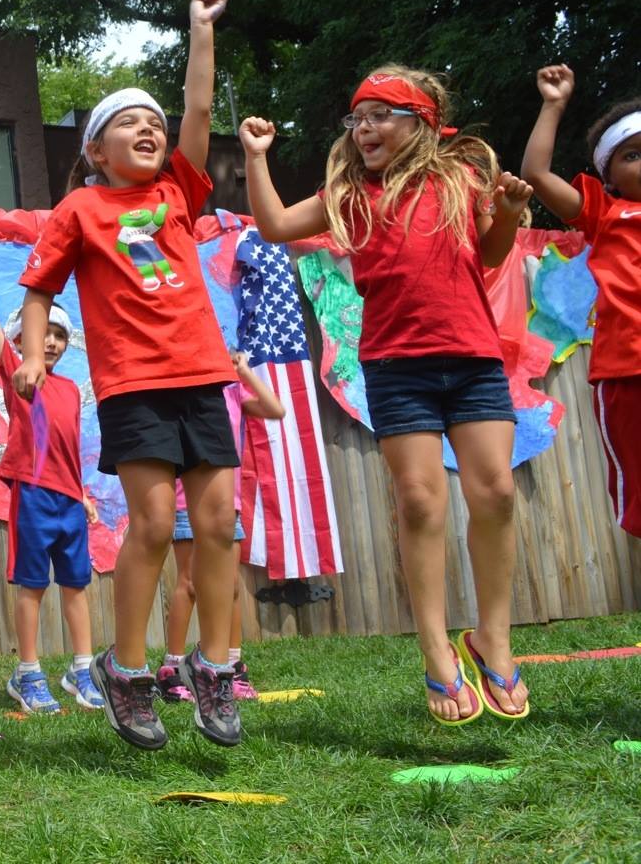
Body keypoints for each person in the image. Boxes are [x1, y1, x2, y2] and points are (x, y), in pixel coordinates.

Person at [241, 65, 534, 724]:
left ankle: (492, 638)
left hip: (473, 360)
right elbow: (278, 225)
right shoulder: (349, 193)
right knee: (422, 500)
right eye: (357, 118)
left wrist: (510, 212)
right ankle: (435, 649)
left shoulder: (460, 178)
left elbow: (488, 256)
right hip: (397, 365)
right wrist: (257, 160)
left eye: (379, 115)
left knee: (496, 491)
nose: (364, 129)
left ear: (422, 123)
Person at [13, 0, 244, 750]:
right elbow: (40, 289)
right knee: (150, 523)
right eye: (127, 125)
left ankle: (214, 666)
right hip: (134, 385)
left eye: (153, 123)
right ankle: (128, 670)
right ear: (95, 151)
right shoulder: (79, 210)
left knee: (215, 524)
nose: (147, 131)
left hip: (200, 375)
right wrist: (32, 362)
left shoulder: (179, 188)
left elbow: (201, 114)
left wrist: (199, 33)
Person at [0, 249, 102, 716]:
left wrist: (82, 495)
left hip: (69, 500)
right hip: (32, 496)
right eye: (42, 333)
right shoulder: (18, 375)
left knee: (76, 584)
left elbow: (66, 450)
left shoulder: (68, 389)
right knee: (32, 586)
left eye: (59, 336)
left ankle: (82, 669)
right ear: (21, 337)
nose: (50, 343)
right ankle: (27, 672)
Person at [520, 65, 641, 539]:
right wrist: (553, 105)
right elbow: (535, 173)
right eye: (632, 155)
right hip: (628, 370)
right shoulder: (606, 213)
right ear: (608, 175)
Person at [157, 351, 285, 703]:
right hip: (187, 499)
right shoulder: (187, 391)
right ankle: (171, 668)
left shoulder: (233, 391)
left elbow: (276, 409)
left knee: (228, 585)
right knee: (189, 582)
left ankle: (231, 667)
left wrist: (244, 372)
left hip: (230, 503)